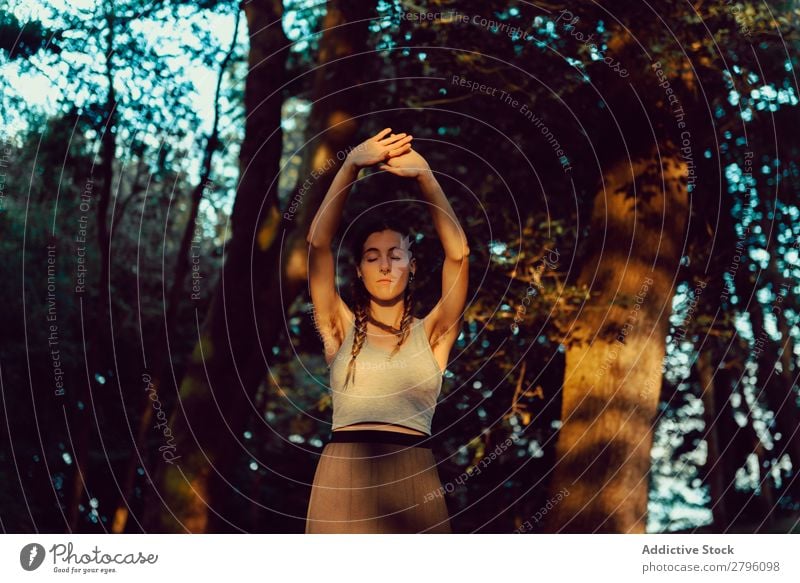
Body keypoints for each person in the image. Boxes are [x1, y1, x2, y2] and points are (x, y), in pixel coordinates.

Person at [304, 127, 470, 533]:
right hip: (342, 478)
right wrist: (348, 167)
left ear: (412, 267)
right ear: (359, 271)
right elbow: (317, 246)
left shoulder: (433, 332)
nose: (384, 266)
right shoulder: (337, 328)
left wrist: (427, 177)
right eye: (372, 257)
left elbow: (459, 254)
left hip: (412, 476)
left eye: (396, 256)